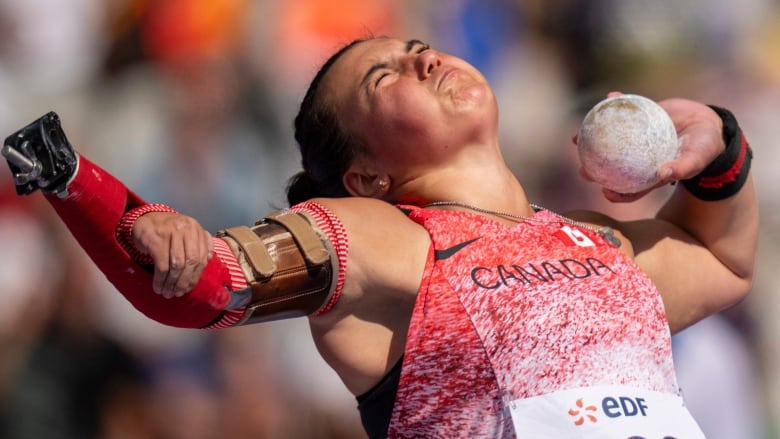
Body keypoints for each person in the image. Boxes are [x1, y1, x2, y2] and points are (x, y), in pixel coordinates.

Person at [2, 36, 758, 438]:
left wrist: (720, 150)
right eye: (384, 76)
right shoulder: (382, 238)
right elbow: (204, 289)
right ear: (363, 175)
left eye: (417, 45)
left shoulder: (594, 245)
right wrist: (94, 190)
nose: (423, 56)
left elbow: (723, 263)